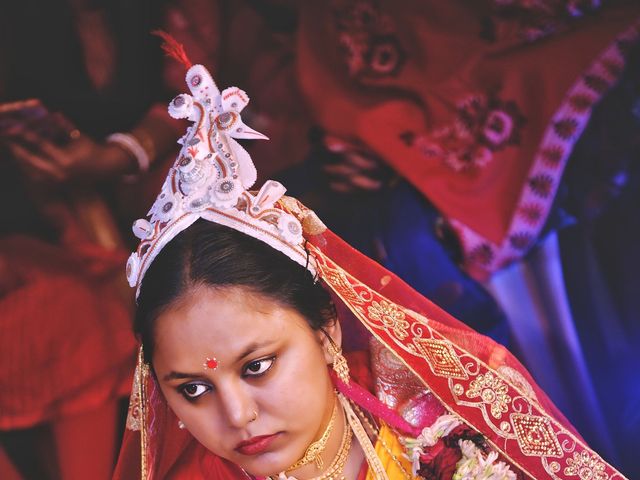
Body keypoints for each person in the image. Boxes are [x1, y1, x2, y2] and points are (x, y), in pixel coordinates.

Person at [113, 41, 629, 479]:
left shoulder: (446, 419)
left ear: (326, 332)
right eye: (194, 388)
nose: (238, 415)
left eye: (258, 366)